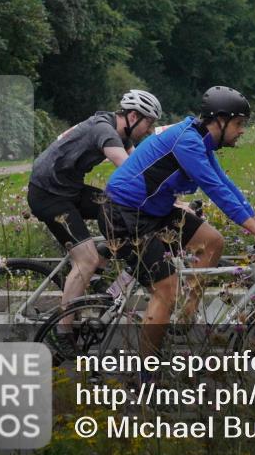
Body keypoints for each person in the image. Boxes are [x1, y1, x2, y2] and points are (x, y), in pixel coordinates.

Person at [100, 86, 255, 361]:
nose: (242, 130)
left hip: (154, 210)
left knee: (212, 242)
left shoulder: (202, 141)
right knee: (166, 290)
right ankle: (146, 377)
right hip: (124, 212)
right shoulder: (186, 142)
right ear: (219, 121)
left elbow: (226, 184)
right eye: (238, 123)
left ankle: (185, 315)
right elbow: (215, 191)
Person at [27, 90, 162, 347]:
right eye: (149, 123)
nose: (149, 130)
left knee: (113, 209)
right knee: (85, 259)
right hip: (48, 195)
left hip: (67, 190)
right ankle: (64, 334)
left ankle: (99, 266)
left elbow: (141, 166)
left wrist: (169, 197)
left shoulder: (118, 132)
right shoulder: (105, 131)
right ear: (133, 116)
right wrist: (163, 198)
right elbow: (132, 172)